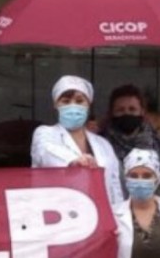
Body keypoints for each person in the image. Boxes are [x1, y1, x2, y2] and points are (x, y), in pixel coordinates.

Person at [31, 75, 124, 206]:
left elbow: (114, 188)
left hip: (99, 212)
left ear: (88, 104)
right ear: (56, 104)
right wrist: (74, 161)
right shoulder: (45, 133)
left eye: (79, 101)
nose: (73, 106)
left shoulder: (103, 144)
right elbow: (46, 152)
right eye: (66, 101)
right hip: (56, 212)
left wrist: (117, 216)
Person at [102, 84, 160, 198]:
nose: (127, 113)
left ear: (142, 112)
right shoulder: (99, 146)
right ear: (111, 113)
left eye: (132, 109)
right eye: (120, 110)